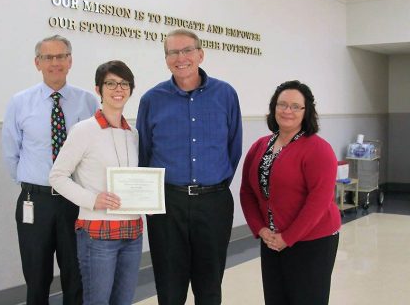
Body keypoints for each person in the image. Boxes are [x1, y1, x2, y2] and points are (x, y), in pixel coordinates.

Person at [136, 28, 242, 305]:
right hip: (168, 205)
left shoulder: (226, 94)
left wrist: (213, 186)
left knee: (209, 286)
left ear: (200, 54)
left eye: (187, 51)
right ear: (166, 58)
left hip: (214, 202)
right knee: (170, 288)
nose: (180, 58)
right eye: (173, 52)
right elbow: (144, 152)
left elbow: (233, 148)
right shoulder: (151, 100)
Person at [2, 35, 99, 305]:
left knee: (76, 273)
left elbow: (93, 152)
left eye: (61, 56)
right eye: (48, 57)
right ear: (37, 63)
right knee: (36, 274)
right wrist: (32, 184)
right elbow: (11, 154)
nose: (55, 63)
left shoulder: (88, 102)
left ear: (70, 61)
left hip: (75, 201)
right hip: (36, 201)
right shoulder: (19, 102)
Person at [240, 80, 341, 305]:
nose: (287, 110)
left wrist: (288, 237)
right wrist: (260, 229)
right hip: (271, 240)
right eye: (282, 104)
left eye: (295, 106)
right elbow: (247, 192)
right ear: (273, 108)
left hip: (313, 241)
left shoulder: (318, 149)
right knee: (276, 299)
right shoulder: (260, 146)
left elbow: (319, 201)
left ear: (307, 112)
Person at [49, 60, 142, 305]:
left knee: (123, 301)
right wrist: (92, 199)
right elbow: (57, 176)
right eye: (110, 83)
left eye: (124, 84)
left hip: (132, 232)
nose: (118, 89)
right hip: (97, 233)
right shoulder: (84, 130)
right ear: (98, 90)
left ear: (131, 89)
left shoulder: (133, 134)